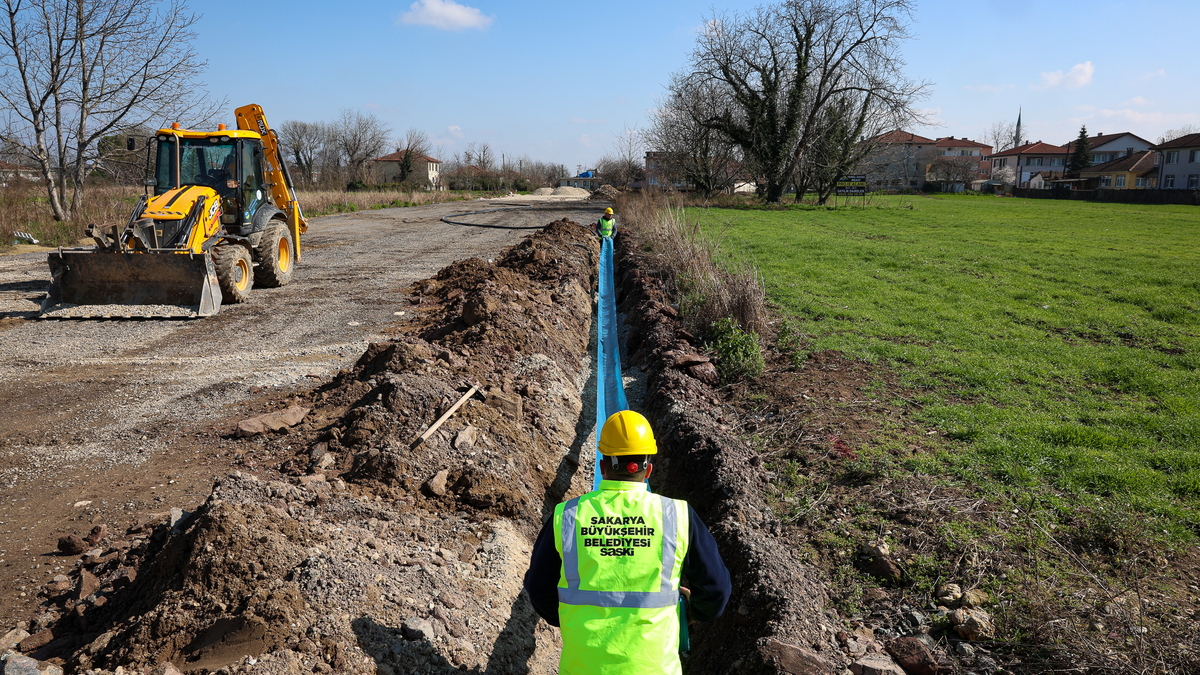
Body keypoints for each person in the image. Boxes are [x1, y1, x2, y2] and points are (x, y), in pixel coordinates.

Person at [523, 410, 731, 675]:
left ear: (602, 467)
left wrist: (569, 618)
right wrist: (691, 614)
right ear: (649, 470)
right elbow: (716, 590)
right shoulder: (677, 515)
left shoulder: (567, 516)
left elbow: (539, 590)